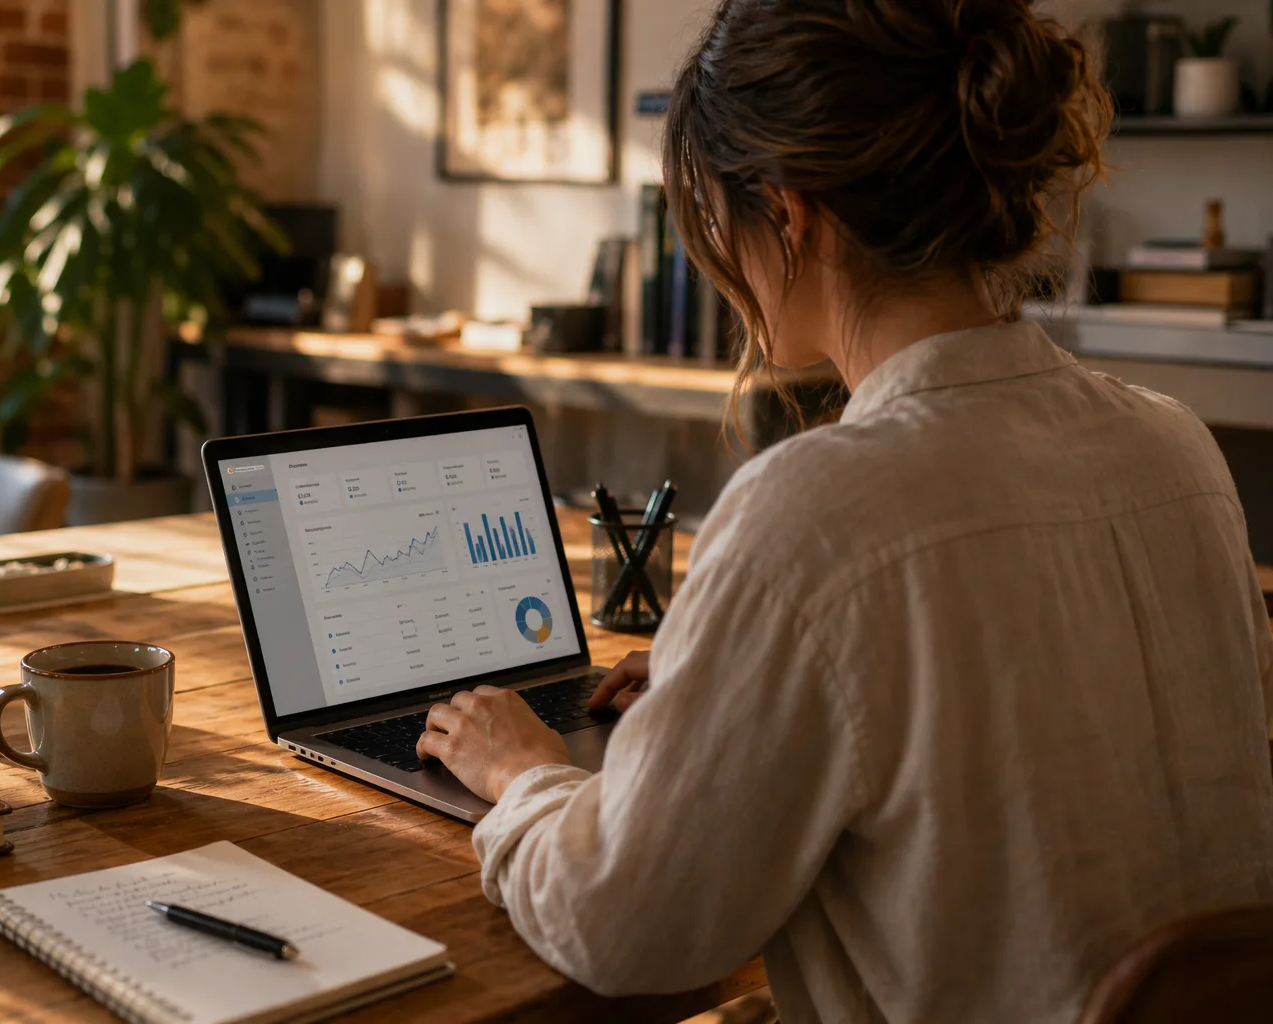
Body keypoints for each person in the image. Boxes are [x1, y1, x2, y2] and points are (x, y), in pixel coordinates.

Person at [413, 1, 1273, 1021]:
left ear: (790, 214)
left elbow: (623, 922)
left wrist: (522, 776)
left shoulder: (813, 513)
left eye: (715, 217)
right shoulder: (1179, 449)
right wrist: (727, 680)